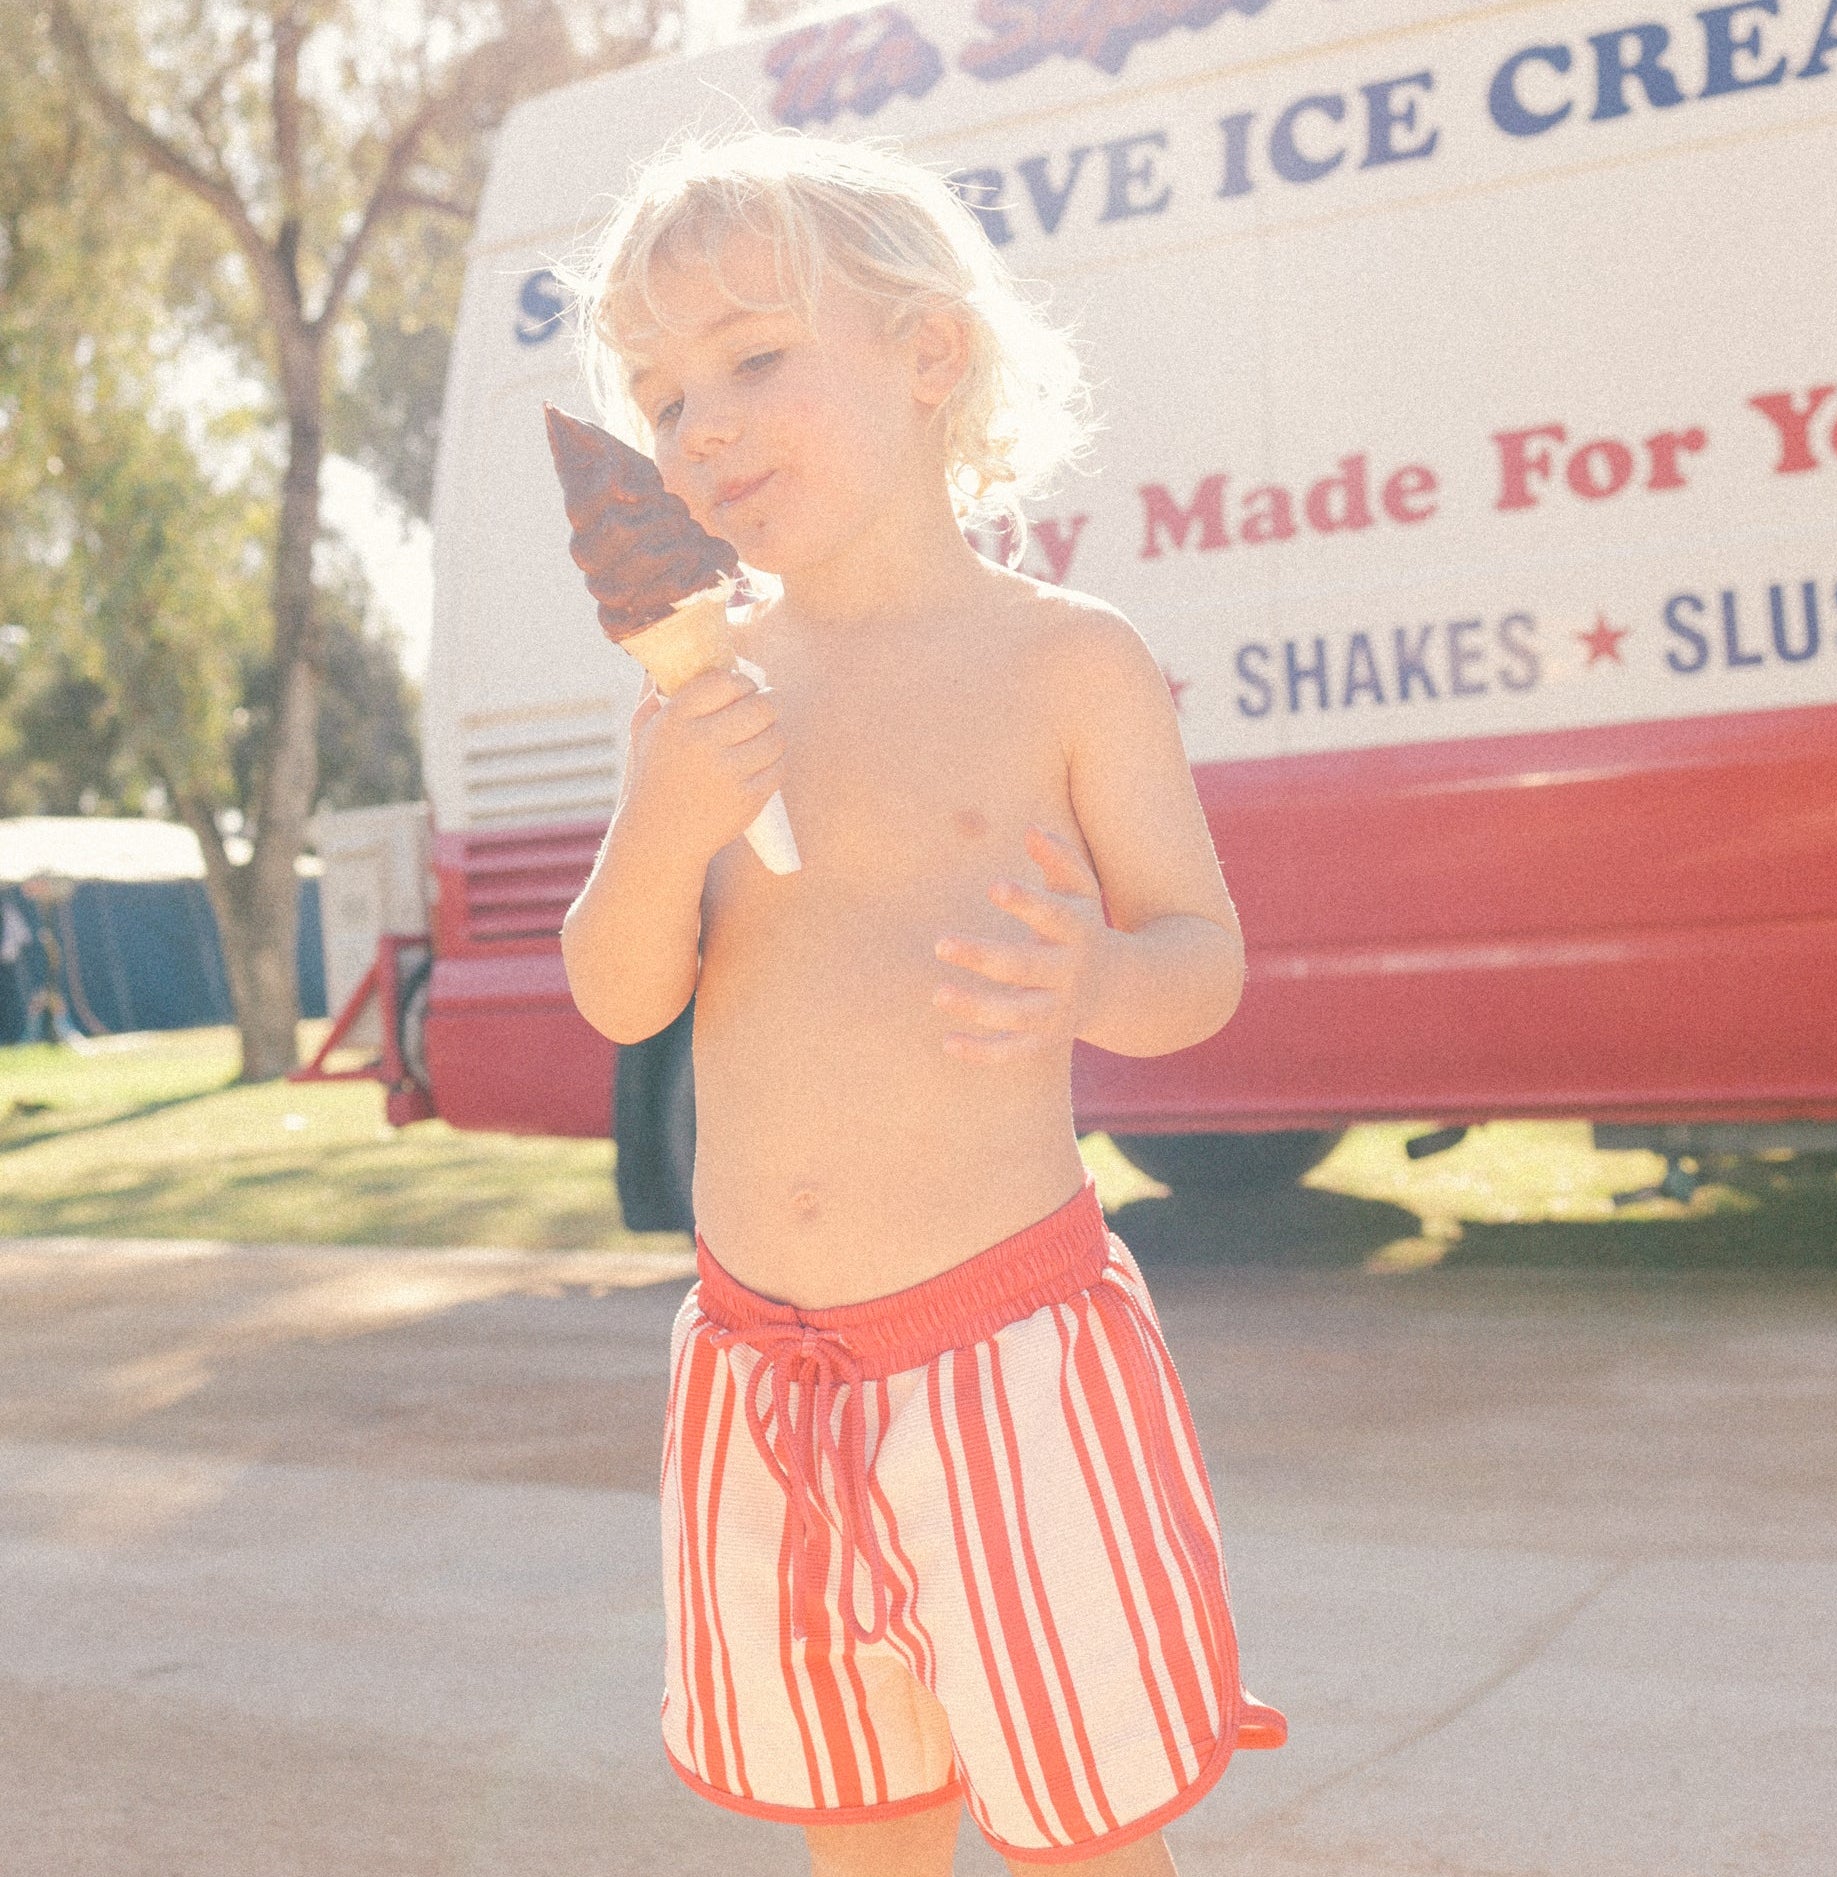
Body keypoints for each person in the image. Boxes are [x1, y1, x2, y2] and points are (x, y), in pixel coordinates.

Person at [559, 131, 1283, 1876]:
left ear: (929, 357)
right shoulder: (704, 688)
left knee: (1071, 1832)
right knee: (860, 1824)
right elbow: (620, 985)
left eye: (751, 359)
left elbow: (1203, 954)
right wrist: (664, 827)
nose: (700, 427)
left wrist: (1099, 975)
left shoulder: (1064, 661)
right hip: (757, 1363)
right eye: (660, 398)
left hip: (1006, 1359)